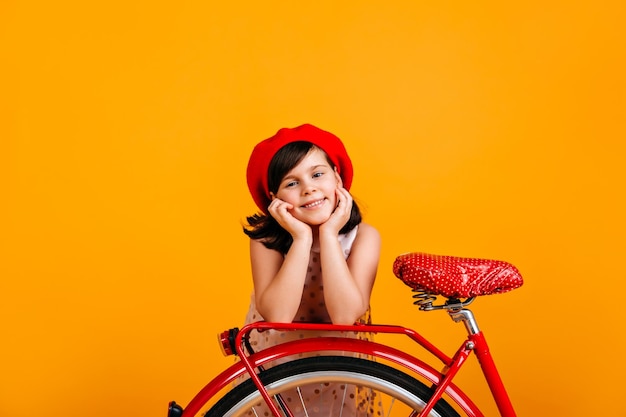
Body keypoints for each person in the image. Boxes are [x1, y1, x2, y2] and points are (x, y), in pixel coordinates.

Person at [239, 123, 383, 415]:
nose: (309, 188)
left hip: (337, 371)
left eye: (318, 174)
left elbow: (345, 315)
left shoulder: (363, 238)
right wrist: (301, 238)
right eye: (292, 183)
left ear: (337, 178)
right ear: (274, 198)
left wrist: (329, 235)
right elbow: (278, 316)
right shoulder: (266, 242)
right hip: (274, 371)